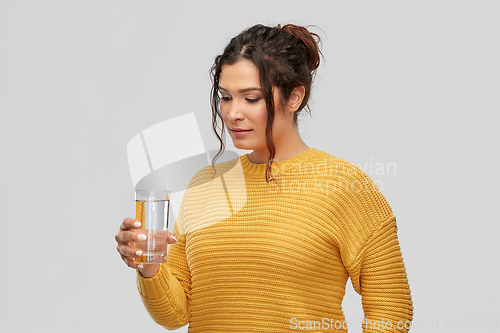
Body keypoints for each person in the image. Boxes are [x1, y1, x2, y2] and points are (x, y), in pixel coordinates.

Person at [116, 23, 413, 332]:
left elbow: (391, 308)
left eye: (251, 98)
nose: (232, 113)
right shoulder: (206, 184)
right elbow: (175, 315)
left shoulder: (343, 184)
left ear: (295, 97)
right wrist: (148, 266)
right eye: (226, 96)